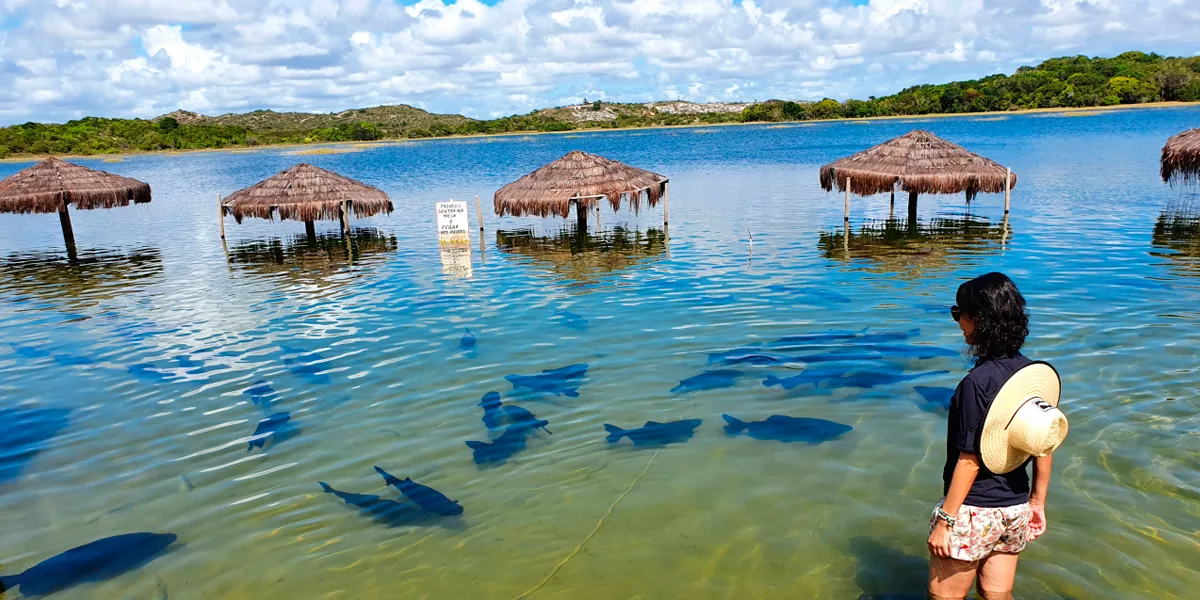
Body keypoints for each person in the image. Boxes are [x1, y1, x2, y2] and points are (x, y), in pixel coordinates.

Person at [928, 272, 1068, 600]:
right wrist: (1037, 502)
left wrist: (945, 521)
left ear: (977, 321)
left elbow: (970, 461)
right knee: (998, 595)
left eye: (957, 313)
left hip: (973, 509)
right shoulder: (1030, 375)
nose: (957, 322)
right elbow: (1043, 441)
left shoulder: (976, 385)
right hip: (1015, 508)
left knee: (943, 597)